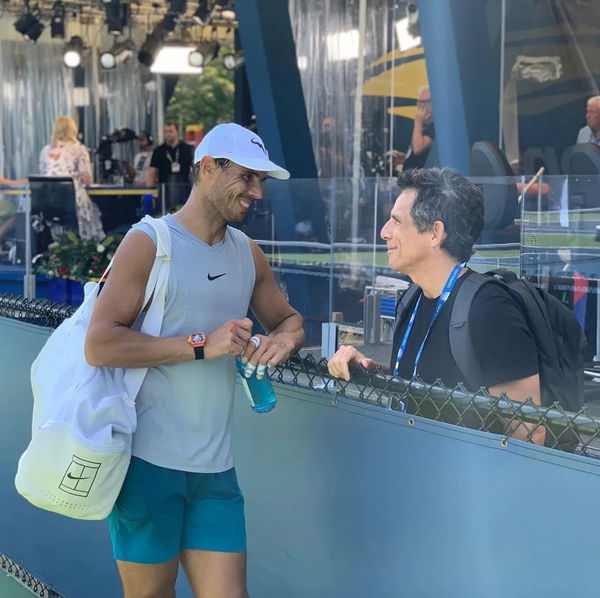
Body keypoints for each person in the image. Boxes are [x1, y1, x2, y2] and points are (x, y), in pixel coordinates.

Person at [84, 122, 305, 598]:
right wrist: (202, 343)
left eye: (261, 181)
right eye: (246, 177)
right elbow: (100, 344)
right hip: (146, 467)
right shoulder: (149, 242)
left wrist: (283, 342)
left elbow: (290, 321)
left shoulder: (249, 253)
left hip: (216, 472)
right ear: (208, 168)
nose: (256, 192)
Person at [327, 167, 544, 445]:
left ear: (435, 233)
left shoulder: (490, 309)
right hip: (419, 469)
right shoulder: (411, 299)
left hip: (469, 482)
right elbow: (423, 381)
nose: (384, 232)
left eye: (397, 221)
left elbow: (530, 432)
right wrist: (367, 369)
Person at [39, 116, 105, 240]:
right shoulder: (79, 149)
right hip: (73, 201)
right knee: (93, 211)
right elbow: (87, 180)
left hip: (51, 202)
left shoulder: (45, 151)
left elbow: (44, 175)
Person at [146, 121, 194, 210]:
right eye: (166, 132)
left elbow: (196, 169)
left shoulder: (187, 149)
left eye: (170, 131)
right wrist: (150, 193)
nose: (168, 134)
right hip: (165, 190)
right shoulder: (158, 151)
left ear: (177, 132)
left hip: (184, 188)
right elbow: (152, 172)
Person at [402, 86, 435, 171]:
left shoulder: (434, 126)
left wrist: (418, 122)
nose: (421, 105)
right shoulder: (424, 126)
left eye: (426, 101)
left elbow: (418, 148)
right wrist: (404, 157)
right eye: (419, 102)